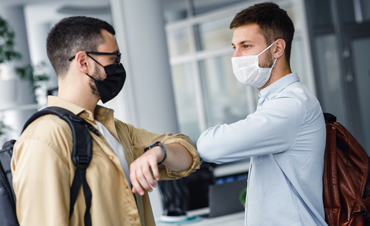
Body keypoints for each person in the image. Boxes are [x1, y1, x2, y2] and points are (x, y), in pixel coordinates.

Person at [11, 16, 200, 226]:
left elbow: (188, 153)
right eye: (113, 58)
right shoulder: (44, 138)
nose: (118, 67)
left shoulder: (111, 128)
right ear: (83, 62)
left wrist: (159, 151)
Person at [197, 3, 327, 226]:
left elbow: (211, 147)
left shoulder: (291, 104)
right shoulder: (273, 101)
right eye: (234, 47)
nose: (236, 56)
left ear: (277, 49)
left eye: (246, 46)